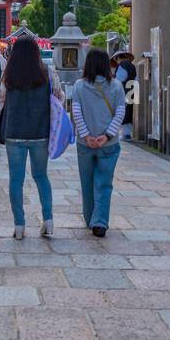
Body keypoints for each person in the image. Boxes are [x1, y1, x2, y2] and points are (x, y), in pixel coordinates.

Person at [0, 36, 63, 239]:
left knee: (16, 180)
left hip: (14, 133)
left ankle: (19, 225)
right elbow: (59, 97)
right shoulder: (47, 72)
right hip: (39, 132)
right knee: (41, 176)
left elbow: (0, 103)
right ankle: (48, 221)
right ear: (37, 52)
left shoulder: (9, 74)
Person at [71, 49, 127, 237]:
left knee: (86, 182)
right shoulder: (117, 86)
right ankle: (100, 222)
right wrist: (107, 136)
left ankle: (90, 218)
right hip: (108, 145)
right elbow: (120, 112)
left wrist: (86, 136)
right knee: (104, 183)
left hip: (84, 144)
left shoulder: (79, 86)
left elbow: (76, 112)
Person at [113, 51, 137, 140]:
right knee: (129, 112)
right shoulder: (132, 66)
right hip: (133, 90)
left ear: (118, 58)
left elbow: (119, 79)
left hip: (124, 91)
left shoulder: (122, 65)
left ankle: (125, 135)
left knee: (123, 112)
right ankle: (127, 134)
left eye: (116, 59)